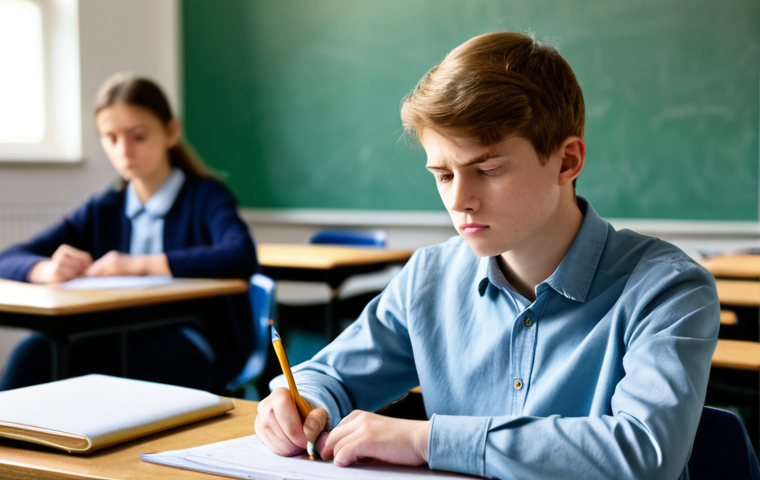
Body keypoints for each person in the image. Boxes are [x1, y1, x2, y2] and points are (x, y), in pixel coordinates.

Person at [253, 32, 719, 480]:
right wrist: (299, 402)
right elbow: (330, 376)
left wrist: (428, 442)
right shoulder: (429, 278)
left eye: (488, 169)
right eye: (443, 175)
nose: (459, 201)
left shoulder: (669, 290)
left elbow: (644, 453)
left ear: (567, 161)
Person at [0, 73, 257, 392]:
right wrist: (45, 269)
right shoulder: (103, 207)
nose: (124, 151)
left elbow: (241, 254)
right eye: (111, 138)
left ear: (171, 132)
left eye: (138, 137)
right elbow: (7, 258)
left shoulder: (205, 196)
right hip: (115, 333)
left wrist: (139, 264)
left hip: (195, 338)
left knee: (113, 376)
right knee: (33, 354)